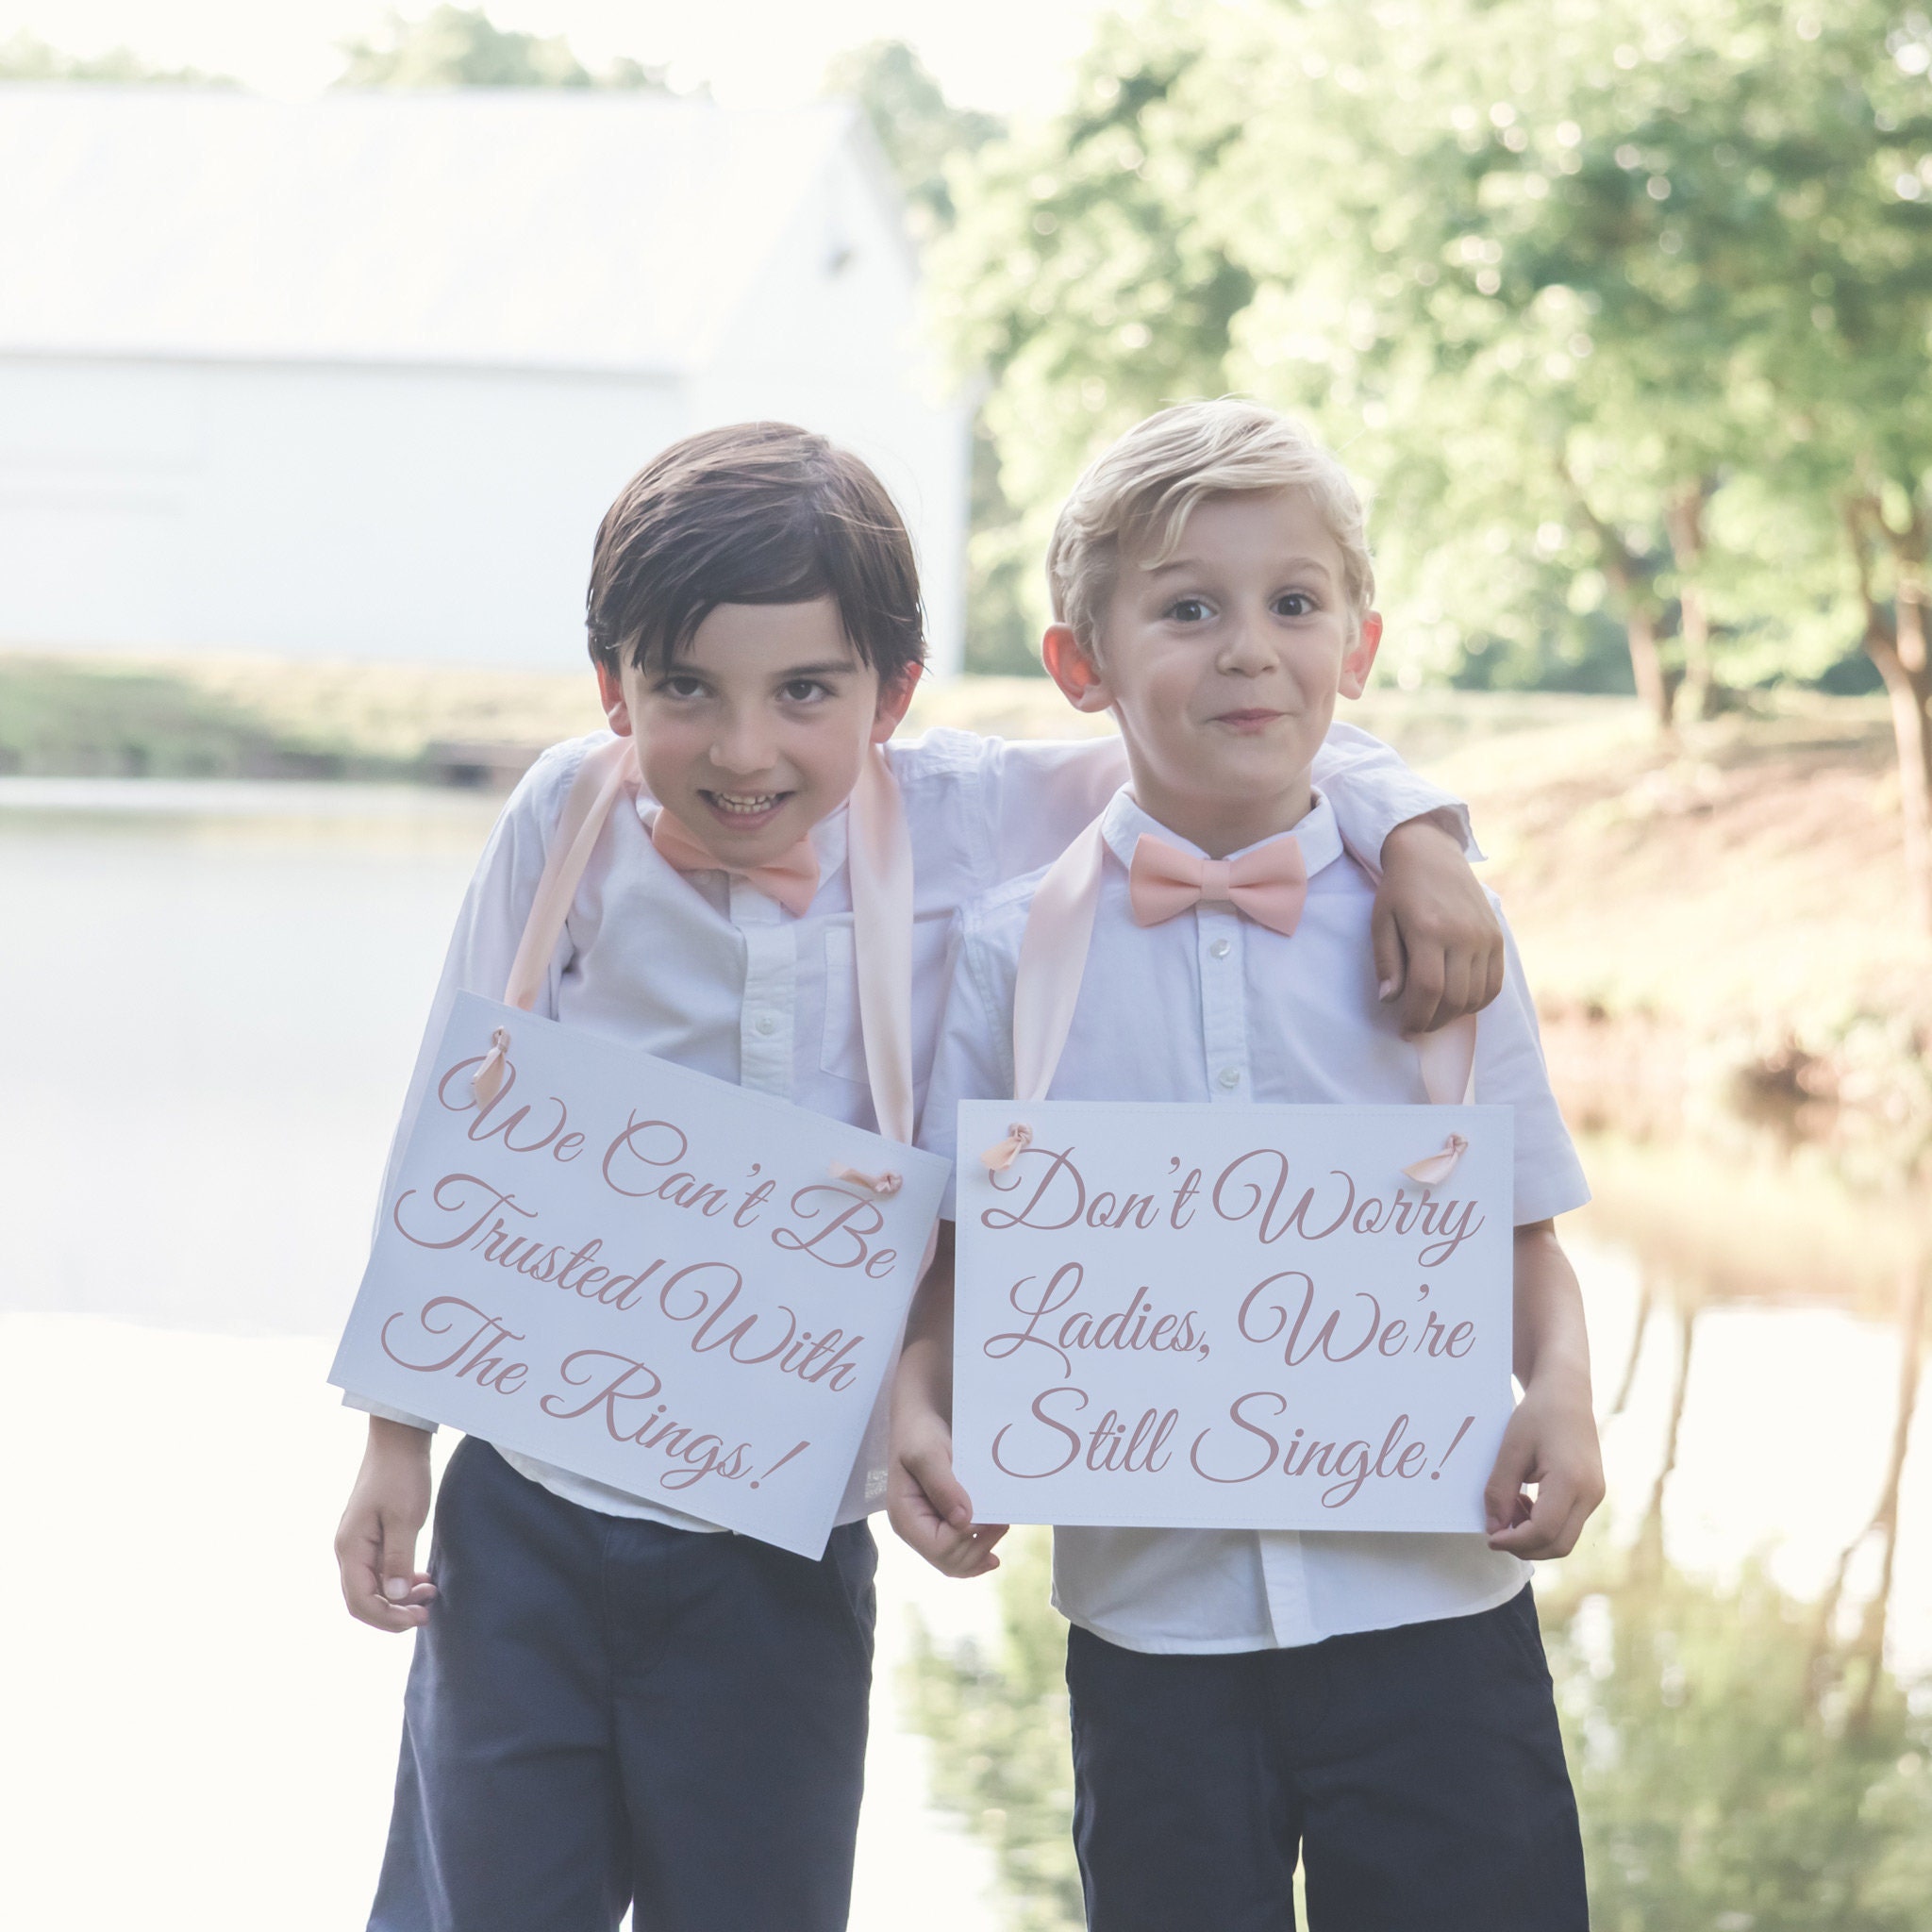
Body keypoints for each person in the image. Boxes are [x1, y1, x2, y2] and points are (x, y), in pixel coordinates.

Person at [332, 420, 1506, 1932]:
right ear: (614, 688)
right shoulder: (567, 817)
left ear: (893, 695)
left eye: (804, 693)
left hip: (790, 1520)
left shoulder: (962, 810)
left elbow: (1226, 728)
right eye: (686, 690)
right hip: (531, 1503)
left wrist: (1418, 831)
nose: (745, 749)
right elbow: (457, 1111)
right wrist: (393, 1440)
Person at [894, 399, 1605, 1932]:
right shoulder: (1012, 952)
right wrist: (920, 1407)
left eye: (1293, 604)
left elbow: (1520, 1225)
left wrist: (1562, 1390)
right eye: (1187, 608)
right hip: (1156, 1631)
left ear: (1356, 649)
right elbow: (962, 1251)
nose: (1245, 648)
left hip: (1434, 1599)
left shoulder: (1446, 929)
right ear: (1080, 662)